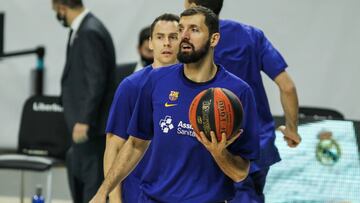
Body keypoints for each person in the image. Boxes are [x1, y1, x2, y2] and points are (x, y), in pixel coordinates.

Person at [91, 6, 260, 203]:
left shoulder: (238, 92)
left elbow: (240, 173)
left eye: (194, 30)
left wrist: (219, 154)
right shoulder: (156, 81)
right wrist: (104, 191)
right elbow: (135, 144)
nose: (184, 36)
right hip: (153, 199)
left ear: (214, 39)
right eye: (181, 29)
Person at [184, 0, 301, 202]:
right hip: (256, 143)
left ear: (192, 4)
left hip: (207, 143)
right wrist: (292, 129)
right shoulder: (251, 35)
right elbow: (287, 86)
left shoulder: (190, 43)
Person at [103, 13, 180, 203]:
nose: (167, 43)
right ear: (151, 43)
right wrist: (114, 199)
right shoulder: (131, 86)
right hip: (138, 195)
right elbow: (114, 145)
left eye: (173, 37)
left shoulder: (195, 87)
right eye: (160, 37)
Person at [51, 0, 116, 202]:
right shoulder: (83, 29)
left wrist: (84, 120)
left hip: (90, 127)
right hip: (84, 124)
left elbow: (96, 80)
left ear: (61, 7)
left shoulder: (89, 31)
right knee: (80, 179)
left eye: (55, 10)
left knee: (91, 185)